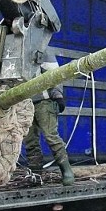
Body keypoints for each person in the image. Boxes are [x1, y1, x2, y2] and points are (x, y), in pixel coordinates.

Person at [23, 50, 74, 186]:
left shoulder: (42, 48)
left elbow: (54, 74)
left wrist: (57, 95)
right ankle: (35, 174)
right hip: (24, 103)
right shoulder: (14, 51)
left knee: (51, 136)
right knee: (30, 140)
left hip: (43, 101)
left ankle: (66, 171)